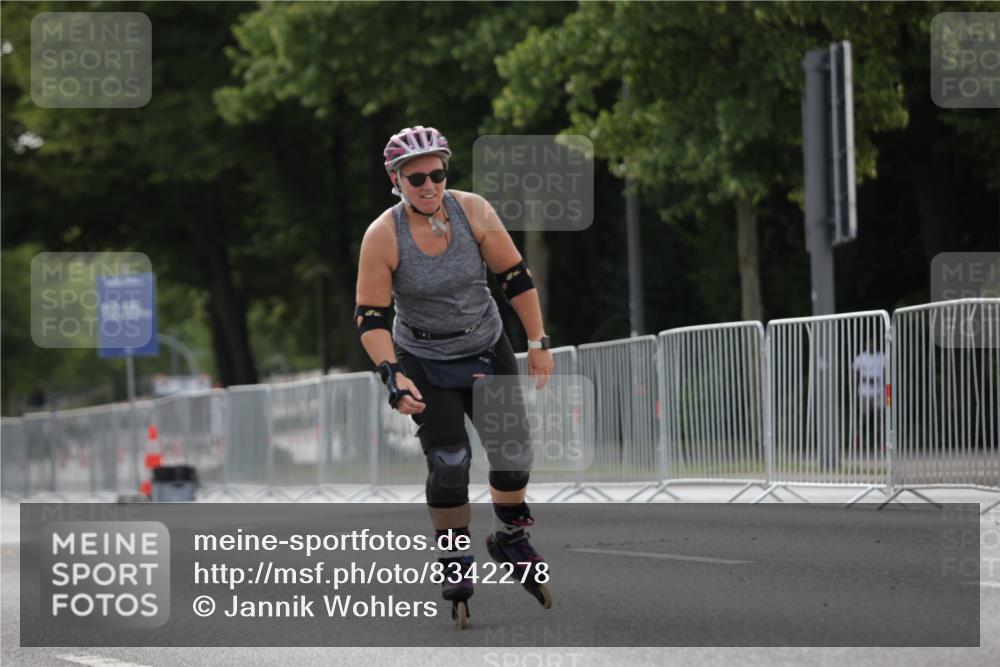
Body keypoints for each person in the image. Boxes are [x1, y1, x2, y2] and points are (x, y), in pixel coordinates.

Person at [354, 126, 555, 625]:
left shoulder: (473, 211)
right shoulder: (383, 234)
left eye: (437, 174)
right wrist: (393, 376)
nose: (428, 185)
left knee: (512, 456)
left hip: (486, 346)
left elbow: (515, 277)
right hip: (425, 360)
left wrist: (536, 342)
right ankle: (454, 557)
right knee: (450, 461)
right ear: (396, 180)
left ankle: (509, 537)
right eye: (416, 177)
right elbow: (371, 318)